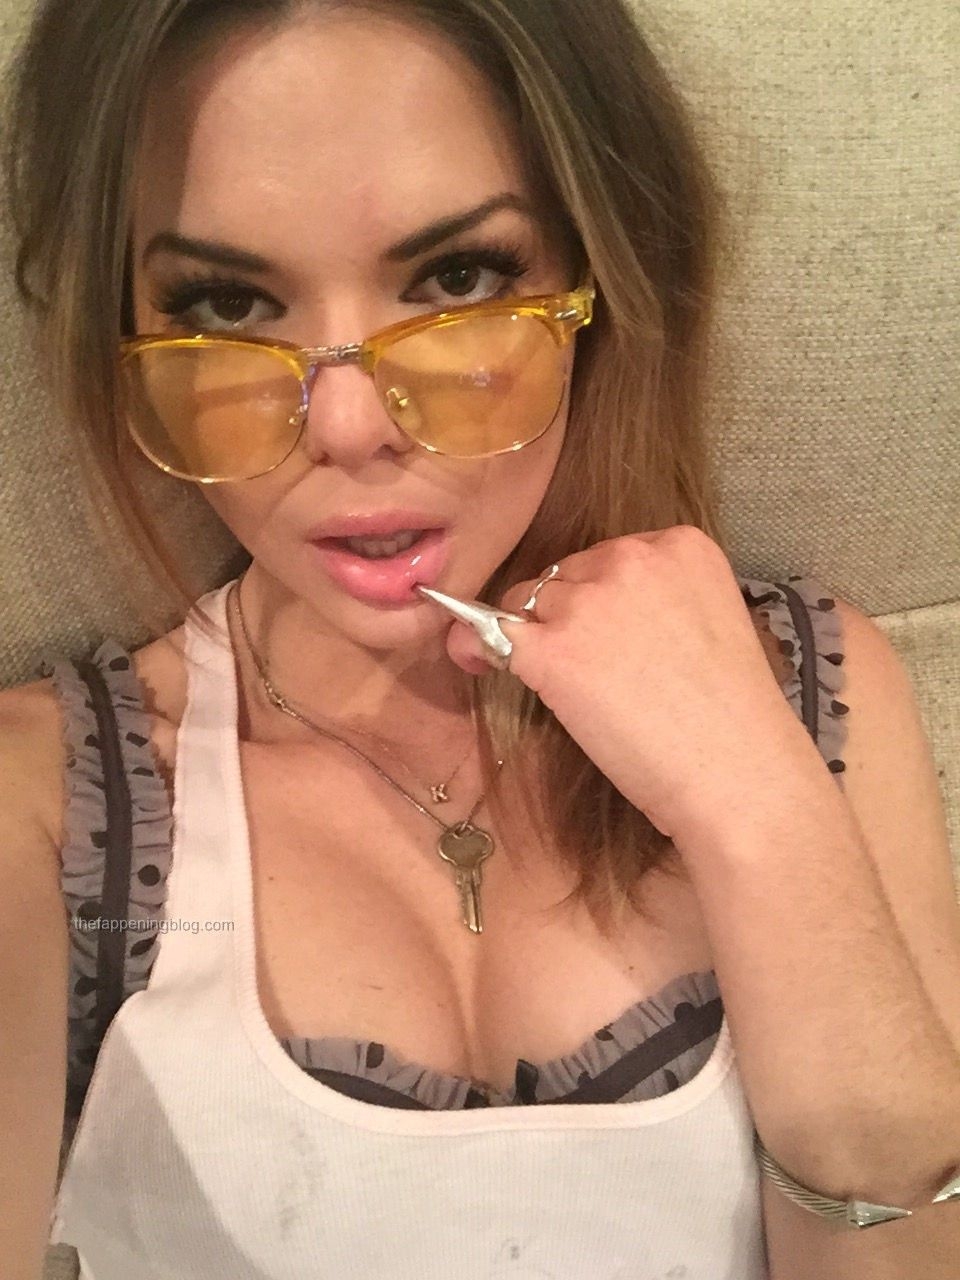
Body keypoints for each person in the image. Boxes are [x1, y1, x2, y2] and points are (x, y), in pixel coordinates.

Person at [2, 1, 958, 1277]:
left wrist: (761, 812)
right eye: (227, 303)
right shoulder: (47, 808)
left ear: (599, 280)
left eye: (458, 278)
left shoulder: (808, 686)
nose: (347, 425)